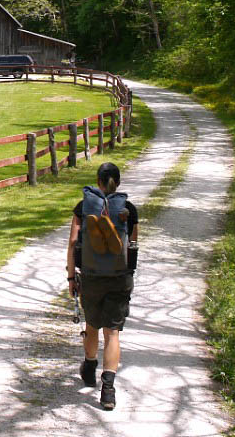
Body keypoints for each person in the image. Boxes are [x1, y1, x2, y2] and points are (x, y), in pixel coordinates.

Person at [67, 161, 138, 410]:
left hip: (91, 275)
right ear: (117, 183)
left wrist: (71, 277)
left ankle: (89, 365)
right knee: (112, 333)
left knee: (92, 324)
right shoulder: (128, 209)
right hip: (119, 277)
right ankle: (108, 390)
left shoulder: (83, 208)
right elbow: (133, 248)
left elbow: (73, 242)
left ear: (98, 182)